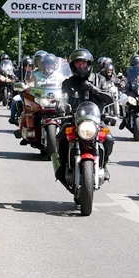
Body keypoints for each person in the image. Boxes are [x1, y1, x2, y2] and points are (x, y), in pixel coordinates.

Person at [53, 49, 115, 187]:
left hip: (95, 121)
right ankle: (63, 165)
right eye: (77, 64)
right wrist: (60, 110)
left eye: (83, 64)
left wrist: (93, 89)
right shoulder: (68, 83)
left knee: (109, 138)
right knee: (61, 137)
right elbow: (62, 99)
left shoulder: (100, 79)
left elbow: (109, 97)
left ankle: (103, 165)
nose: (80, 67)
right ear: (73, 66)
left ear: (88, 64)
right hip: (74, 120)